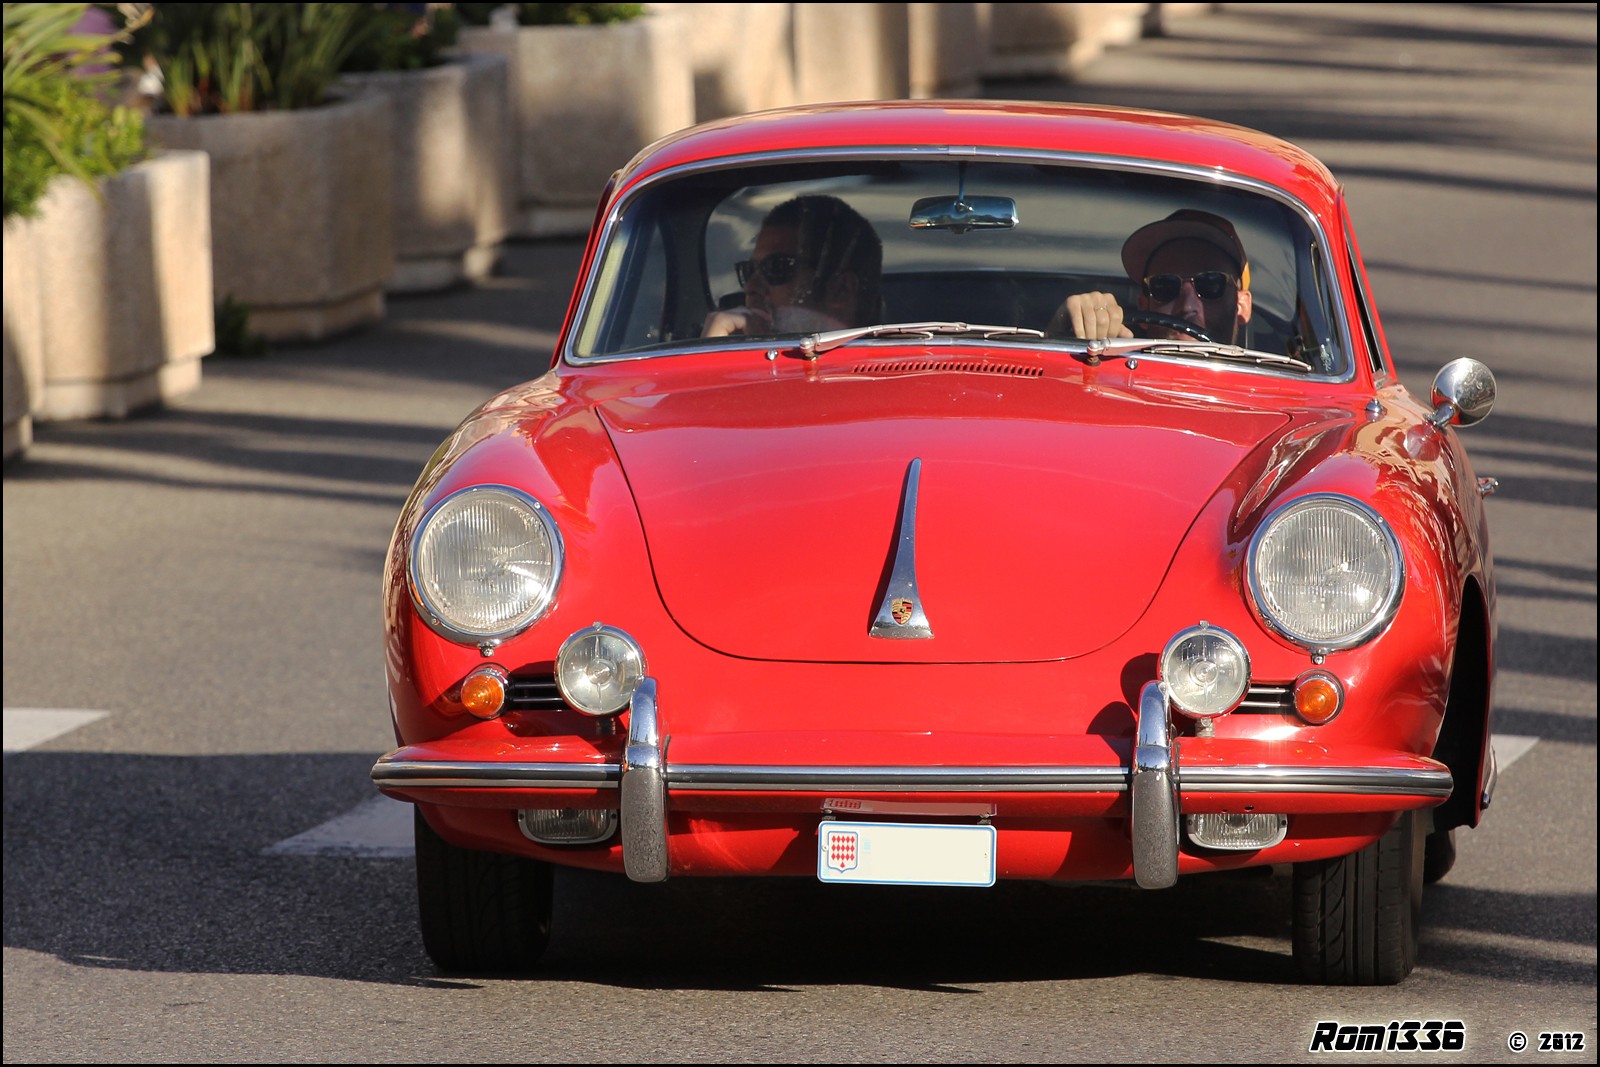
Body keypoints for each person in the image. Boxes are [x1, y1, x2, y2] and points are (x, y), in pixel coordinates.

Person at [1051, 208, 1253, 344]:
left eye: (1210, 284)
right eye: (1165, 287)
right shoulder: (1112, 377)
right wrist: (1064, 332)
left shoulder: (1267, 391)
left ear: (1242, 305)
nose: (1187, 306)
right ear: (1144, 306)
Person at [703, 194, 883, 337]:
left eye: (776, 267)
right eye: (748, 270)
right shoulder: (739, 363)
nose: (750, 288)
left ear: (841, 289)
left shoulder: (888, 368)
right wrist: (712, 357)